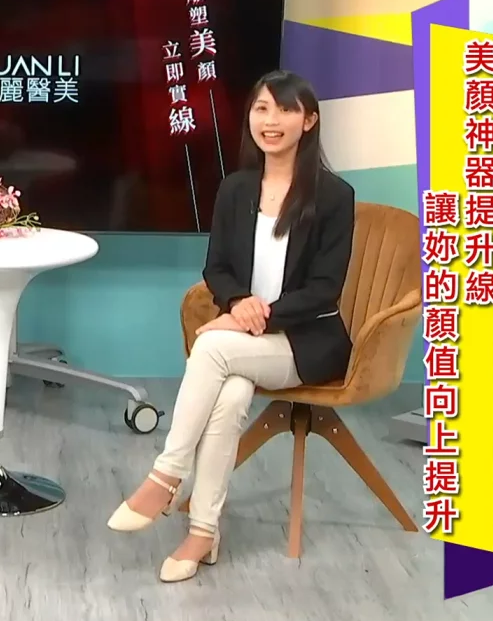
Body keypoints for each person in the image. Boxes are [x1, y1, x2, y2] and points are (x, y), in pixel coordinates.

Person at [107, 70, 355, 583]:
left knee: (213, 347)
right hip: (244, 337)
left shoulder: (334, 196)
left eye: (285, 110)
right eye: (261, 108)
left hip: (305, 342)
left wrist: (256, 316)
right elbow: (216, 268)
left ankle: (166, 475)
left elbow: (324, 289)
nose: (271, 120)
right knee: (231, 393)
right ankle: (203, 532)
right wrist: (238, 302)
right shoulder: (236, 188)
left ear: (309, 121)